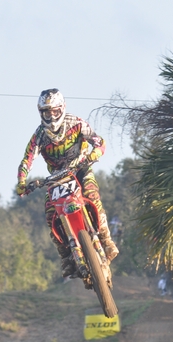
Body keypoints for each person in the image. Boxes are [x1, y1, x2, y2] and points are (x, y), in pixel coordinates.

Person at [16, 89, 119, 278]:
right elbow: (27, 160)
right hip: (56, 178)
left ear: (62, 108)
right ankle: (66, 257)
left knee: (92, 195)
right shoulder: (39, 136)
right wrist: (22, 181)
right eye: (47, 112)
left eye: (55, 111)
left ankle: (106, 240)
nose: (51, 116)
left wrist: (94, 154)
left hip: (80, 168)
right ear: (41, 113)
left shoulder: (77, 123)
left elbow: (99, 141)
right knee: (50, 214)